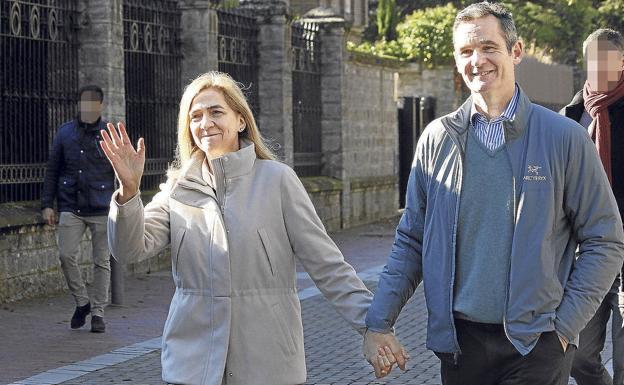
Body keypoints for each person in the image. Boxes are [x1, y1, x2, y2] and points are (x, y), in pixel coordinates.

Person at [362, 2, 624, 384]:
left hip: (537, 345)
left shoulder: (563, 138)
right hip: (459, 346)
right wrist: (378, 322)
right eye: (466, 51)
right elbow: (411, 241)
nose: (476, 60)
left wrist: (565, 328)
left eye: (488, 47)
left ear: (515, 52)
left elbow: (605, 239)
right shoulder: (437, 139)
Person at [102, 71, 373, 385]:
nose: (206, 123)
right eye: (196, 116)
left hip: (267, 365)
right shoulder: (178, 190)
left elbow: (327, 264)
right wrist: (128, 192)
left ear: (241, 121)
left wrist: (372, 325)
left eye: (217, 112)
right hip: (192, 366)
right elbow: (128, 250)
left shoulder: (277, 180)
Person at [561, 28, 624, 385]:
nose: (598, 67)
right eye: (592, 59)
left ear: (621, 61)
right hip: (589, 252)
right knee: (580, 356)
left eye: (607, 59)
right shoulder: (570, 117)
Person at [41, 85, 114, 333]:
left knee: (101, 262)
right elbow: (52, 170)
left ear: (100, 106)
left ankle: (98, 313)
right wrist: (46, 205)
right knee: (65, 255)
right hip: (70, 205)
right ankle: (82, 302)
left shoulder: (109, 134)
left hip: (101, 205)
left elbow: (122, 171)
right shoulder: (65, 134)